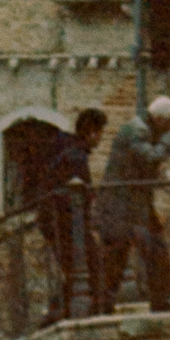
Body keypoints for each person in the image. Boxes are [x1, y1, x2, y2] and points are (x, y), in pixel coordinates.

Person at [92, 95, 170, 313]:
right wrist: (169, 142)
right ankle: (104, 303)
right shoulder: (137, 131)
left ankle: (157, 301)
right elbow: (149, 157)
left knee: (151, 250)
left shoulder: (141, 129)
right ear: (162, 119)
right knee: (118, 255)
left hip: (134, 204)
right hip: (121, 206)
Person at [26, 107, 107, 318]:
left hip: (54, 219)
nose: (100, 139)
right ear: (92, 132)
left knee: (76, 267)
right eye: (100, 134)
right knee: (88, 264)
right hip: (63, 221)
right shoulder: (76, 156)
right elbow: (80, 193)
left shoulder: (68, 148)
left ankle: (62, 311)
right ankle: (85, 310)